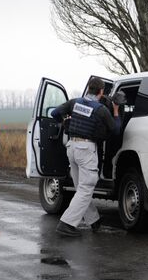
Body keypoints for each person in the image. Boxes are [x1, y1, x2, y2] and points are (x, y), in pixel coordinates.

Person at [51, 77, 120, 237]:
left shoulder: (74, 103)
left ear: (88, 88)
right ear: (101, 92)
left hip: (71, 147)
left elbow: (55, 113)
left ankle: (94, 220)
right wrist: (116, 110)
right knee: (86, 187)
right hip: (86, 149)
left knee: (81, 188)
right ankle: (66, 224)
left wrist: (64, 121)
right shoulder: (101, 109)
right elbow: (115, 130)